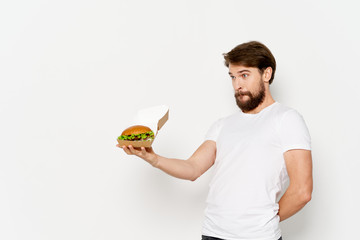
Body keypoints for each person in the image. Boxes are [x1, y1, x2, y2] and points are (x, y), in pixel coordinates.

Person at [117, 41, 313, 240]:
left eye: (244, 75)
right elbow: (193, 168)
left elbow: (302, 191)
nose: (238, 85)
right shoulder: (222, 125)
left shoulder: (287, 119)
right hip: (213, 233)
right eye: (233, 77)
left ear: (266, 74)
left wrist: (263, 221)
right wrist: (154, 159)